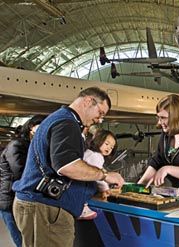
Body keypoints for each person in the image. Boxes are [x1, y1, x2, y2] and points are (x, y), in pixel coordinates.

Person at [12, 87, 125, 247]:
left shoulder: (61, 119)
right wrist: (105, 175)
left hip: (40, 207)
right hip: (46, 209)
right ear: (87, 101)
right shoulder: (66, 123)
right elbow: (67, 166)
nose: (100, 120)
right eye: (100, 113)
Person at [0, 115, 45, 247]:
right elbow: (21, 173)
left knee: (28, 239)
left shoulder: (31, 145)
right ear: (31, 127)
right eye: (41, 126)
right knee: (21, 239)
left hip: (21, 199)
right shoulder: (17, 145)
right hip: (9, 199)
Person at [78, 129, 117, 220]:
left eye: (112, 147)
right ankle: (82, 208)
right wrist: (105, 188)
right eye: (107, 144)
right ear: (98, 140)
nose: (109, 148)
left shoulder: (91, 153)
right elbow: (97, 176)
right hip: (82, 185)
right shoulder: (96, 156)